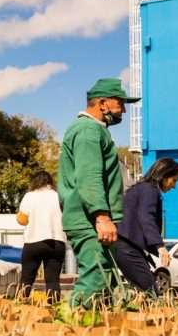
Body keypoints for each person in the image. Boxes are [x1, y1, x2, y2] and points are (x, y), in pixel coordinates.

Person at [58, 78, 136, 309]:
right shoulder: (88, 131)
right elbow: (89, 177)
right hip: (90, 221)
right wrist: (101, 217)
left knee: (106, 281)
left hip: (91, 220)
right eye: (120, 103)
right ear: (102, 104)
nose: (123, 109)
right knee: (94, 279)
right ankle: (69, 331)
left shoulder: (94, 131)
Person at [115, 158, 178, 293]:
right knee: (150, 291)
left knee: (145, 289)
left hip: (127, 246)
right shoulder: (149, 189)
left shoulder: (142, 188)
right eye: (173, 180)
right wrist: (160, 246)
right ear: (163, 175)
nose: (174, 185)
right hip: (126, 247)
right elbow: (146, 217)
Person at [17, 170, 67, 302]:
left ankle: (20, 308)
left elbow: (22, 220)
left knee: (26, 279)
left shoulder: (30, 196)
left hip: (34, 241)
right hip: (57, 241)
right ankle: (54, 311)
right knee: (52, 281)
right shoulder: (59, 196)